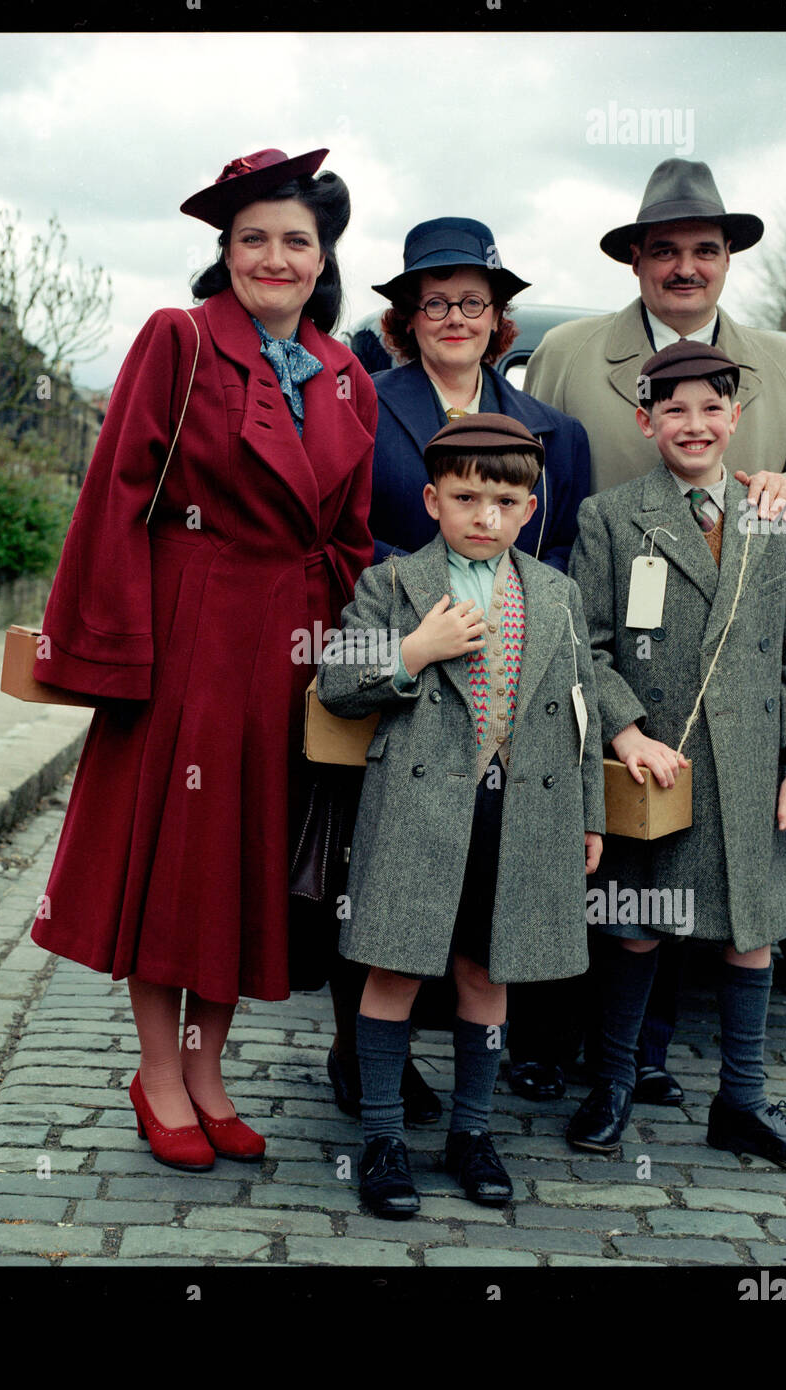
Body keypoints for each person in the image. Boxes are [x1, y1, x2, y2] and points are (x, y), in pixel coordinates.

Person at [28, 148, 377, 1172]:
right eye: (253, 238)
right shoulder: (177, 341)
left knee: (249, 867)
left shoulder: (348, 372)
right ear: (224, 252)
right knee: (177, 864)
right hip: (186, 635)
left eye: (295, 241)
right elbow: (114, 497)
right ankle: (158, 1071)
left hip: (289, 647)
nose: (275, 257)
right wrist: (118, 652)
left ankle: (206, 1070)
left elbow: (351, 535)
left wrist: (343, 663)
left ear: (323, 260)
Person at [519, 158, 786, 1106]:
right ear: (636, 262)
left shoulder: (784, 366)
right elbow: (531, 492)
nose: (687, 267)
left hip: (729, 663)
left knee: (678, 882)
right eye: (666, 250)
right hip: (595, 656)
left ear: (729, 259)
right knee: (585, 861)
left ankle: (644, 1064)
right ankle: (549, 1042)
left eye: (706, 249)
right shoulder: (574, 354)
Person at [324, 217, 592, 1124]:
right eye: (432, 302)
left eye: (471, 302)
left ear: (497, 317)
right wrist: (425, 602)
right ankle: (368, 1069)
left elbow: (558, 558)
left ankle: (471, 1113)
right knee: (380, 888)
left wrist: (503, 596)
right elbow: (346, 525)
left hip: (508, 667)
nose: (453, 317)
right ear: (405, 315)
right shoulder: (365, 399)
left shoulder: (552, 430)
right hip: (406, 650)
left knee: (483, 933)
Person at [317, 413, 605, 1218]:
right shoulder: (394, 584)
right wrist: (414, 649)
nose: (487, 516)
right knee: (396, 966)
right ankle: (381, 1137)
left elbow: (578, 711)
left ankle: (472, 1134)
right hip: (415, 807)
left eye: (507, 500)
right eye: (468, 496)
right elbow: (338, 684)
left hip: (521, 813)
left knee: (486, 970)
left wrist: (590, 815)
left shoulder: (556, 594)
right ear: (432, 499)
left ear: (531, 507)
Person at [565, 340, 786, 1173]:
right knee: (642, 927)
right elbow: (589, 648)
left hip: (755, 763)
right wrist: (624, 732)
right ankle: (612, 1082)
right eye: (674, 409)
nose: (695, 424)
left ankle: (744, 1102)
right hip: (663, 768)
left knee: (750, 933)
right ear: (646, 421)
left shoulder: (771, 517)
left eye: (711, 408)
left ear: (738, 419)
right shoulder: (610, 518)